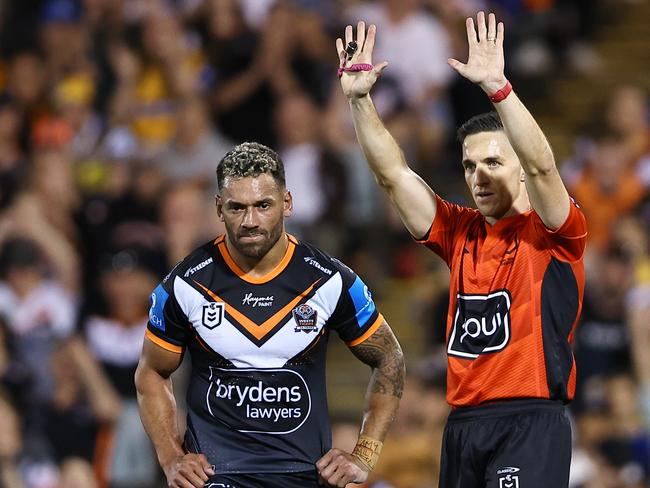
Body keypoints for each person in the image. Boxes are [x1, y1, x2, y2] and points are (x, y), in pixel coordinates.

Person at [337, 12, 587, 488]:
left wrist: (499, 89)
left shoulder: (555, 232)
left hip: (529, 420)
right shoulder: (460, 232)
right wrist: (360, 101)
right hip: (462, 426)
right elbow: (393, 175)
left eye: (494, 161)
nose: (479, 175)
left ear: (517, 171)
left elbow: (543, 168)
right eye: (470, 165)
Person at [134, 142, 405, 488]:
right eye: (237, 208)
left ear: (287, 203)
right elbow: (152, 372)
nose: (250, 221)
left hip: (304, 477)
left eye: (263, 205)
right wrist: (171, 457)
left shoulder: (329, 280)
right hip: (218, 477)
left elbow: (390, 358)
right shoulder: (186, 284)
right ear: (219, 208)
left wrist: (364, 455)